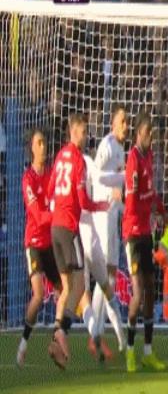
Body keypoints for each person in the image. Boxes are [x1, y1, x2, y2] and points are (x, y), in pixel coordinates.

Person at [47, 114, 110, 368]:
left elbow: (51, 189)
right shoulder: (77, 160)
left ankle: (58, 336)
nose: (86, 136)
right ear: (73, 132)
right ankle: (62, 331)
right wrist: (100, 205)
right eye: (83, 132)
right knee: (80, 286)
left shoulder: (60, 156)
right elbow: (83, 201)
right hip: (68, 229)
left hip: (54, 228)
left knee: (67, 287)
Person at [123, 111, 168, 373]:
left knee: (151, 290)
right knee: (138, 293)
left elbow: (151, 192)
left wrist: (162, 213)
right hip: (132, 233)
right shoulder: (132, 160)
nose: (151, 136)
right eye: (148, 132)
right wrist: (149, 207)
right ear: (139, 133)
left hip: (146, 233)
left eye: (152, 132)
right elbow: (131, 202)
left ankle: (148, 352)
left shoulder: (149, 156)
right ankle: (130, 350)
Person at [17, 129, 62, 367]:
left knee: (63, 291)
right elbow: (37, 215)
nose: (43, 147)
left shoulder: (52, 174)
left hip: (49, 243)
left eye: (45, 142)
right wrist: (58, 215)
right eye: (39, 143)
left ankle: (56, 341)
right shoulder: (28, 179)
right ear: (32, 148)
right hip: (34, 242)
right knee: (38, 293)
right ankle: (23, 343)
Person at [79, 153, 125, 361]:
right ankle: (98, 333)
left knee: (108, 280)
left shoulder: (110, 168)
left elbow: (118, 201)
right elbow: (99, 185)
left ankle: (101, 333)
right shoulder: (90, 163)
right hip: (92, 227)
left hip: (106, 226)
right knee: (95, 283)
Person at [90, 105, 128, 355]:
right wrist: (109, 194)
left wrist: (123, 207)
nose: (126, 126)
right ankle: (98, 332)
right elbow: (96, 176)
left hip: (113, 214)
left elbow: (118, 184)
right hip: (102, 214)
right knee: (104, 273)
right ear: (113, 124)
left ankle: (104, 331)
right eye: (122, 121)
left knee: (111, 273)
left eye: (127, 121)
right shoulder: (106, 146)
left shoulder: (121, 150)